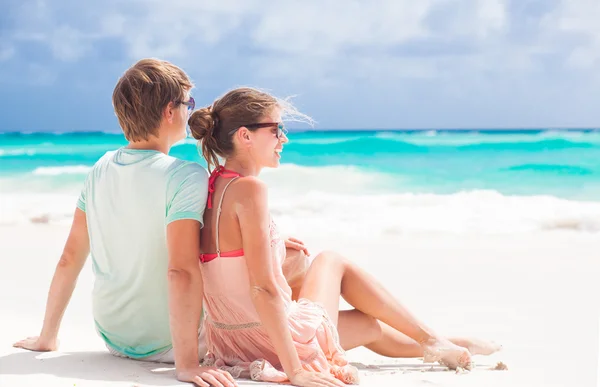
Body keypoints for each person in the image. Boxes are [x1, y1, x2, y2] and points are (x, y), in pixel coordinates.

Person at [187, 87, 501, 386]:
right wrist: (296, 370)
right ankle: (432, 339)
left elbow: (225, 254)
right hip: (267, 340)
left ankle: (449, 343)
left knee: (368, 326)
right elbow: (263, 288)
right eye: (275, 129)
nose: (283, 138)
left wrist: (275, 244)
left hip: (232, 341)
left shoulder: (217, 184)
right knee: (330, 260)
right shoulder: (251, 189)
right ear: (245, 136)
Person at [13, 58, 236, 387]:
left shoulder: (100, 168)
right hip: (171, 344)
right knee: (288, 268)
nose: (191, 111)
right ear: (168, 112)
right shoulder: (185, 175)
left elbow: (69, 258)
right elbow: (181, 270)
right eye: (188, 103)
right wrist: (187, 365)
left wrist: (47, 337)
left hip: (114, 336)